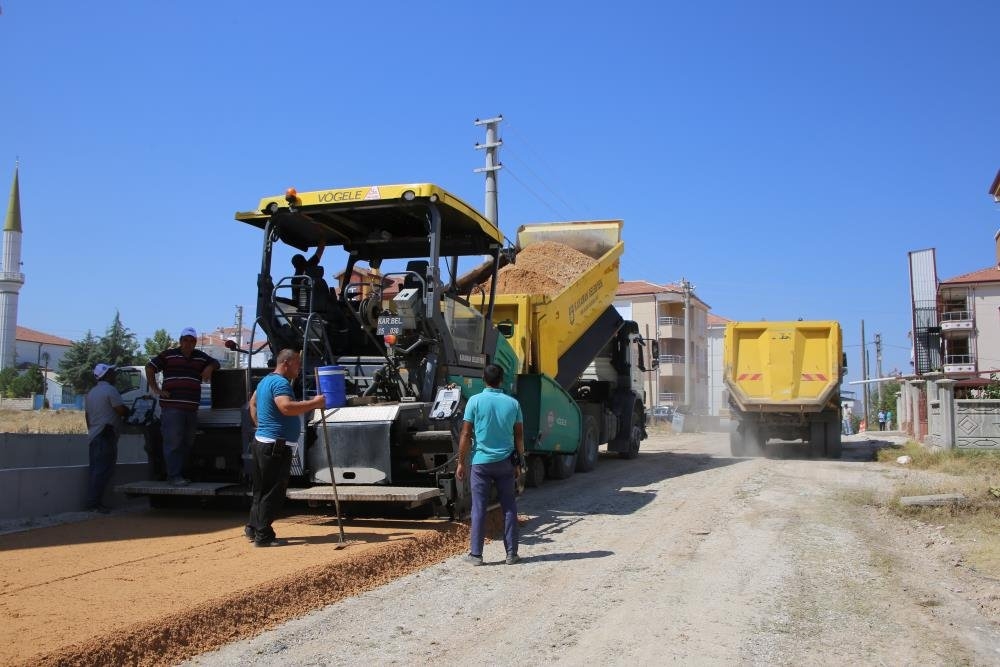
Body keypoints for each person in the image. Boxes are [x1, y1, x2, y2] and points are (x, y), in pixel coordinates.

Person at [245, 349, 326, 547]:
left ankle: (253, 528)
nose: (299, 368)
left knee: (261, 490)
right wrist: (314, 403)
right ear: (287, 363)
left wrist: (260, 425)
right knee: (273, 491)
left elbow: (252, 403)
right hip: (275, 445)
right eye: (297, 364)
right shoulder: (281, 383)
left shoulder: (265, 381)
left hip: (262, 442)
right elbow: (286, 407)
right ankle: (263, 535)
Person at [456, 364, 526, 565]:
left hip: (481, 464)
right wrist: (520, 462)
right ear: (501, 380)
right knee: (509, 506)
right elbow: (519, 437)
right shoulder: (513, 404)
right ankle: (511, 554)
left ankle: (476, 555)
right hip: (506, 463)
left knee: (478, 508)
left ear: (483, 379)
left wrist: (461, 463)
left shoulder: (474, 402)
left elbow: (466, 434)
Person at [146, 327, 220, 486]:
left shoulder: (200, 357)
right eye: (185, 339)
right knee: (173, 442)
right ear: (180, 341)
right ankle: (173, 476)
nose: (188, 343)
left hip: (191, 409)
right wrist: (156, 389)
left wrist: (209, 367)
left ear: (195, 342)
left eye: (192, 340)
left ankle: (180, 473)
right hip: (172, 408)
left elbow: (216, 363)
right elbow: (150, 367)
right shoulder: (168, 355)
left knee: (188, 442)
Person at [84, 363, 129, 513]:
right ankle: (93, 504)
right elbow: (120, 410)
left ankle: (93, 502)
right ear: (106, 375)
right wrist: (129, 411)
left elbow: (87, 416)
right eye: (112, 372)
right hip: (105, 435)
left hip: (95, 435)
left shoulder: (92, 392)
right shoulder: (110, 390)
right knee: (102, 471)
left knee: (95, 470)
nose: (114, 374)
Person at [291, 241, 326, 312]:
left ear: (294, 266)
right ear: (304, 260)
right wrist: (322, 237)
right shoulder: (311, 265)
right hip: (322, 308)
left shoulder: (295, 279)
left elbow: (295, 301)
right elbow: (320, 250)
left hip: (305, 310)